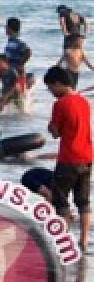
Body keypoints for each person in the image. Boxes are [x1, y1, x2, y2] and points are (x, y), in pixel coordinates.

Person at [43, 66, 90, 253]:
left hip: (69, 157)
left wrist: (50, 127)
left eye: (50, 87)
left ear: (58, 83)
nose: (51, 92)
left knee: (60, 201)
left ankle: (63, 243)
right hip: (87, 156)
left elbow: (56, 133)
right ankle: (84, 242)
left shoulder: (60, 104)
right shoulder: (84, 102)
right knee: (83, 202)